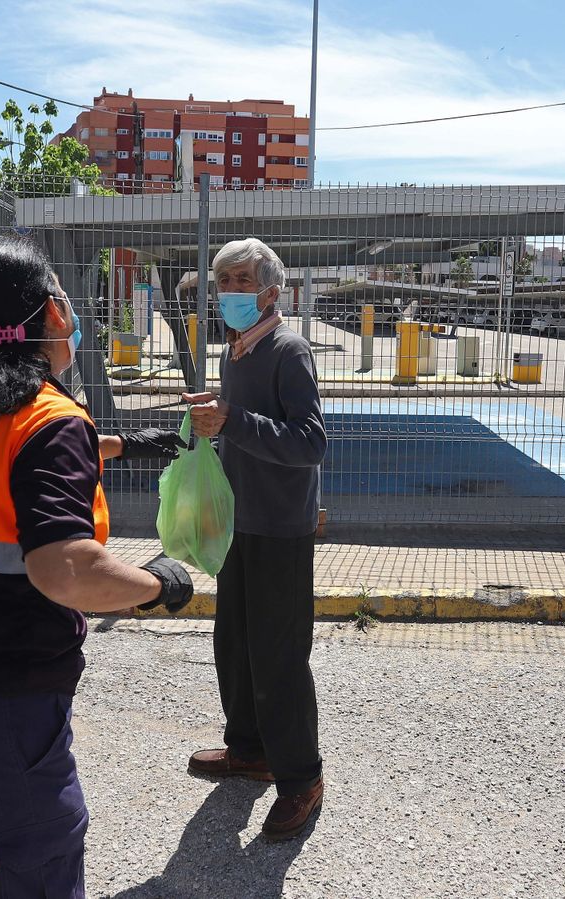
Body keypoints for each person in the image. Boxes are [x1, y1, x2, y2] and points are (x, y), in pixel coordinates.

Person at [0, 237, 193, 898]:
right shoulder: (49, 420)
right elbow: (66, 570)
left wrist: (117, 443)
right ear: (53, 311)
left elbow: (9, 468)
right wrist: (157, 584)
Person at [184, 237, 327, 841]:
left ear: (271, 291)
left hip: (280, 527)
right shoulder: (236, 351)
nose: (231, 291)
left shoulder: (289, 351)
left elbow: (310, 442)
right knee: (235, 643)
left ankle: (301, 778)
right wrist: (214, 422)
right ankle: (248, 749)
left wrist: (233, 420)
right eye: (224, 281)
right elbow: (239, 429)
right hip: (238, 521)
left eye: (243, 280)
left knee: (279, 656)